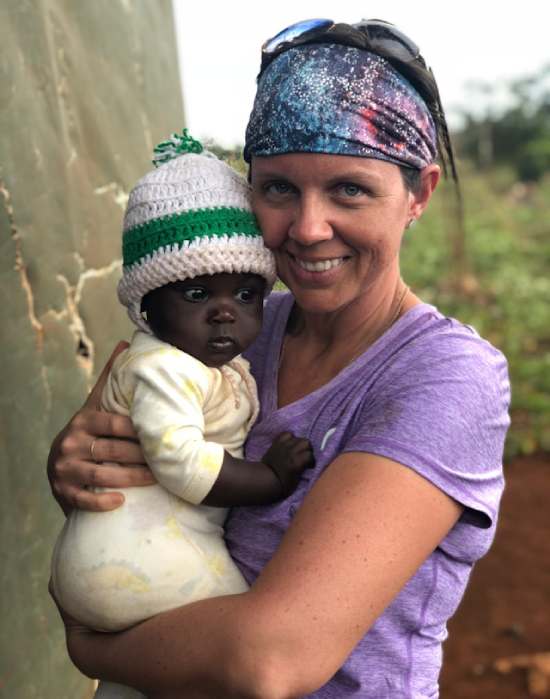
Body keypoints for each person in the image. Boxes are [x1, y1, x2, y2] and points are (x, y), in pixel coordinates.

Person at [48, 19, 511, 698]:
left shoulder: (443, 377)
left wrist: (94, 646)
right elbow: (116, 473)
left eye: (349, 189)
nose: (308, 227)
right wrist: (78, 468)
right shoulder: (234, 334)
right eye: (279, 189)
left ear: (419, 193)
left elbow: (272, 658)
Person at [50, 131, 313, 699]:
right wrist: (269, 479)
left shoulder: (205, 362)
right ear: (147, 308)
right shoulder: (165, 367)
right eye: (197, 296)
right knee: (232, 632)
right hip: (138, 563)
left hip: (125, 564)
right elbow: (180, 462)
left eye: (246, 295)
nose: (225, 315)